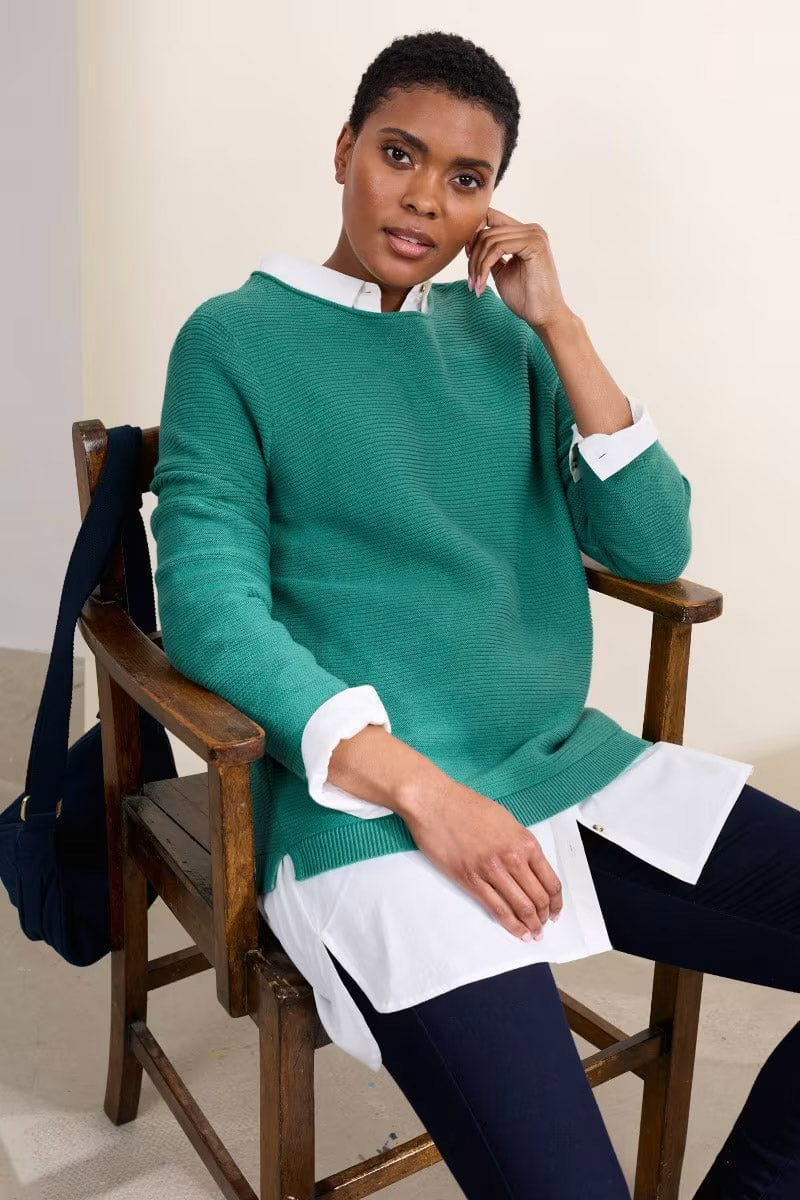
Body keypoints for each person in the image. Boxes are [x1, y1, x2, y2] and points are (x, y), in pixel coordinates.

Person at [149, 29, 800, 1200]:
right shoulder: (231, 339)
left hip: (559, 770)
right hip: (372, 818)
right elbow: (208, 605)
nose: (423, 199)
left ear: (492, 202)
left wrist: (560, 325)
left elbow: (652, 545)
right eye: (397, 154)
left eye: (465, 177)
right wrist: (422, 791)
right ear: (343, 149)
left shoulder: (507, 338)